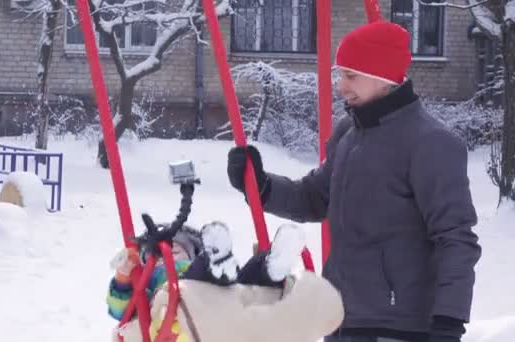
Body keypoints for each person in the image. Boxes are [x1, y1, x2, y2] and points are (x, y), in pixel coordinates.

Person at [226, 21, 481, 342]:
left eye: (350, 75)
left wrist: (449, 322)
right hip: (341, 318)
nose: (340, 86)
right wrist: (261, 186)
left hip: (397, 326)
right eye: (340, 74)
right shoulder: (349, 132)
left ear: (384, 77)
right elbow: (313, 197)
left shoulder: (429, 143)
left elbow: (456, 239)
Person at [107, 186, 344, 341]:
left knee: (243, 284)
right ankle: (218, 261)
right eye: (159, 254)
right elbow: (121, 311)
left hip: (222, 300)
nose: (172, 252)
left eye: (180, 248)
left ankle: (272, 267)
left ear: (192, 251)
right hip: (178, 313)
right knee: (192, 284)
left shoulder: (192, 265)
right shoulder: (153, 278)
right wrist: (123, 277)